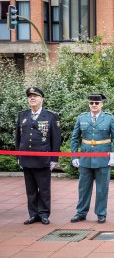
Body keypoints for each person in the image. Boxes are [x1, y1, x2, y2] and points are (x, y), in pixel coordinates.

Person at [70, 94, 114, 224]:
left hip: (103, 158)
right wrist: (74, 156)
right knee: (83, 188)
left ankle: (101, 213)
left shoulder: (109, 118)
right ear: (88, 104)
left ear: (102, 104)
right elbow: (75, 139)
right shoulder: (82, 118)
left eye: (96, 103)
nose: (94, 105)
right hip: (86, 158)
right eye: (91, 103)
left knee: (102, 188)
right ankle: (81, 212)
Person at [16, 87, 61, 225]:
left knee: (44, 188)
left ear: (42, 98)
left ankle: (44, 214)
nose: (32, 98)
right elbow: (18, 137)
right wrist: (18, 156)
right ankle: (33, 214)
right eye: (30, 96)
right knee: (30, 189)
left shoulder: (51, 116)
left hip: (43, 159)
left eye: (35, 96)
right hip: (26, 158)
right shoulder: (22, 115)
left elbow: (56, 139)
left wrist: (54, 159)